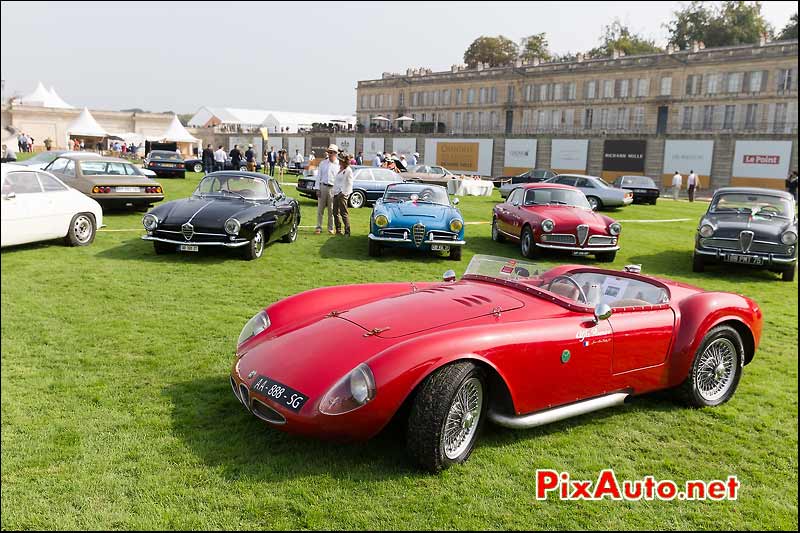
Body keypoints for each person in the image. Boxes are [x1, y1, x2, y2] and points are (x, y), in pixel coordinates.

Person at [315, 144, 339, 235]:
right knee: (320, 209)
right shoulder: (323, 163)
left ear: (335, 153)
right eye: (329, 152)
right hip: (323, 187)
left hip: (333, 188)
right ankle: (318, 227)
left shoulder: (338, 165)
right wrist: (317, 189)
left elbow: (339, 179)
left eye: (331, 152)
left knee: (331, 210)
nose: (329, 154)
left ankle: (330, 228)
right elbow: (318, 177)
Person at [332, 152, 355, 236]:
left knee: (343, 213)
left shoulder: (348, 170)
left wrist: (343, 193)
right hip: (336, 193)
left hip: (342, 194)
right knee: (335, 212)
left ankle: (347, 231)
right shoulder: (340, 169)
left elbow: (349, 183)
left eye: (341, 160)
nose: (339, 161)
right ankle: (338, 230)